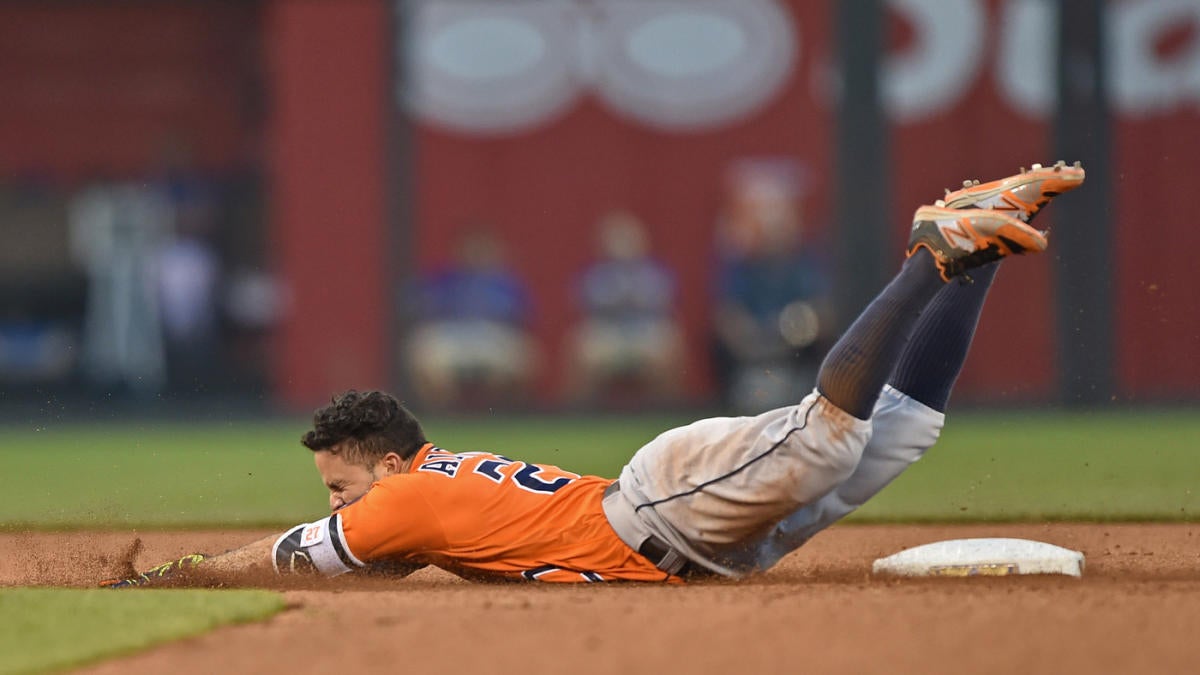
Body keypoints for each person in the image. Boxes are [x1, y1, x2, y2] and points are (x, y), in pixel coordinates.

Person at [102, 162, 1084, 587]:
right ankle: (980, 244)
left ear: (384, 461)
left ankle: (932, 250)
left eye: (340, 481)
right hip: (701, 541)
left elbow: (288, 557)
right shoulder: (439, 481)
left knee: (828, 434)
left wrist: (159, 580)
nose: (337, 500)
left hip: (665, 514)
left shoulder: (401, 502)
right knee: (903, 428)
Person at [404, 227, 539, 408]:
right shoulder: (445, 279)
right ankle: (444, 414)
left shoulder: (504, 282)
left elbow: (525, 315)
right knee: (422, 350)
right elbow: (415, 305)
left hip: (492, 335)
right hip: (452, 335)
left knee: (525, 355)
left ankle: (500, 413)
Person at [564, 210, 685, 405]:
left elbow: (665, 304)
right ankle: (579, 412)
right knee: (579, 343)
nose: (623, 246)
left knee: (671, 340)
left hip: (646, 333)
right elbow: (584, 304)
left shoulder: (655, 273)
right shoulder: (596, 274)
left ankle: (667, 408)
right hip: (608, 334)